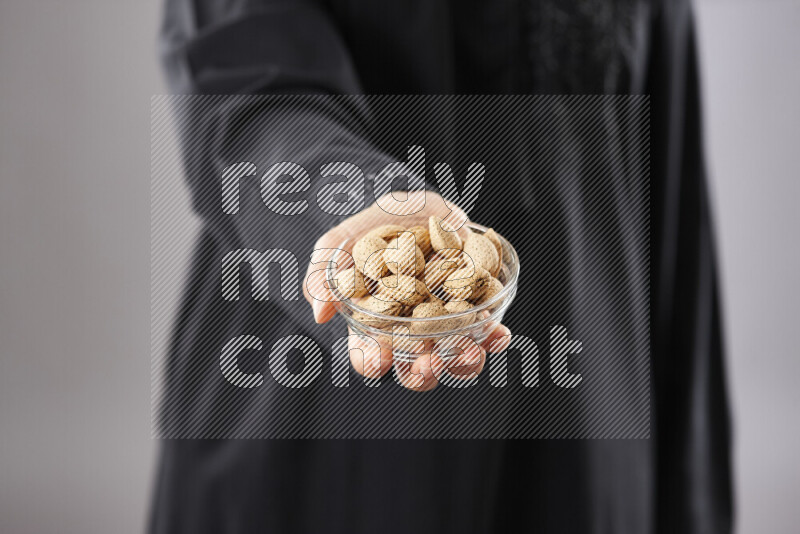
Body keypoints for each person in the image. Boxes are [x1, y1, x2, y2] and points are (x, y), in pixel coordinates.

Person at [151, 0, 732, 532]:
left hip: (586, 438)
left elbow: (669, 208)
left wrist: (690, 506)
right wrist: (361, 212)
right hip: (319, 432)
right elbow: (246, 82)